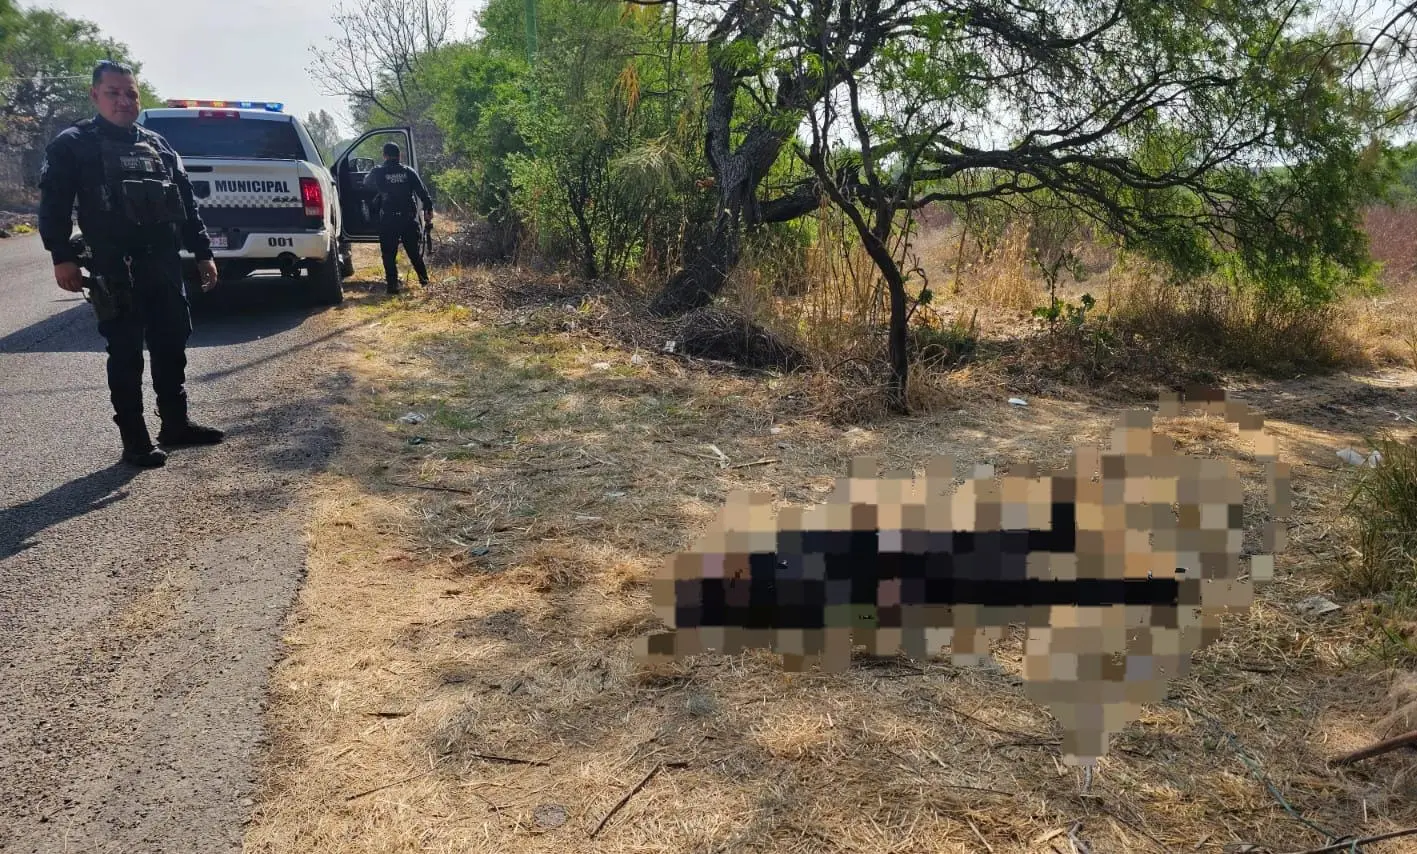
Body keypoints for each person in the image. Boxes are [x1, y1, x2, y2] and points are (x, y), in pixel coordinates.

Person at [37, 60, 225, 469]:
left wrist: (203, 252)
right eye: (113, 93)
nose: (124, 101)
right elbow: (52, 206)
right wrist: (61, 258)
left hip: (163, 263)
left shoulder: (158, 145)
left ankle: (175, 424)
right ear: (95, 95)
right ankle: (135, 440)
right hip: (113, 267)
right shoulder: (72, 144)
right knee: (125, 352)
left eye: (131, 93)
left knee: (172, 342)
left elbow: (187, 206)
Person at [362, 141, 433, 294]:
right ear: (399, 155)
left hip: (388, 219)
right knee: (414, 252)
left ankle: (392, 286)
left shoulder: (378, 171)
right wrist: (428, 209)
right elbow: (423, 192)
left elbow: (366, 183)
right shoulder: (408, 171)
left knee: (388, 254)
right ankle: (425, 282)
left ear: (385, 156)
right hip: (408, 219)